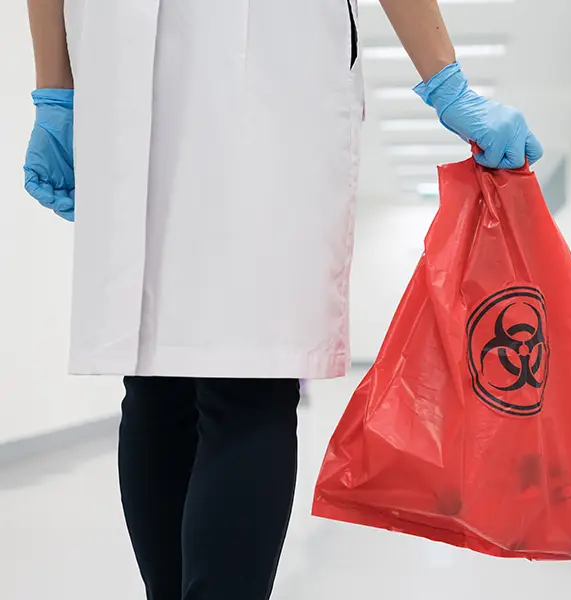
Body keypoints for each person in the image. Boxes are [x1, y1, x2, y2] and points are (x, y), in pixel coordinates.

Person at [24, 0, 543, 598]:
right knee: (236, 376)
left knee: (163, 377)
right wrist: (447, 81)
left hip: (139, 49)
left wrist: (55, 90)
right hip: (263, 50)